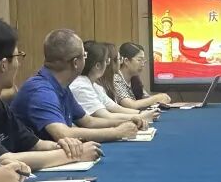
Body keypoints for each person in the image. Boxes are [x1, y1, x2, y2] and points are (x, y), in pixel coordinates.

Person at [0, 19, 101, 169]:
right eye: (17, 57)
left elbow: (35, 144)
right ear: (3, 65)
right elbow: (3, 160)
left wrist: (64, 146)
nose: (19, 64)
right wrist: (74, 154)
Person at [11, 30, 139, 142]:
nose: (86, 60)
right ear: (76, 63)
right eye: (84, 56)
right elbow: (63, 134)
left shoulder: (61, 85)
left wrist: (125, 122)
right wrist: (117, 132)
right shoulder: (41, 91)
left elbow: (88, 121)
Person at [71, 41, 157, 126]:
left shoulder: (94, 85)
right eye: (106, 61)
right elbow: (105, 116)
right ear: (98, 66)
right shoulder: (81, 85)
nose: (108, 65)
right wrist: (139, 116)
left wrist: (141, 113)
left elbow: (115, 107)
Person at [113, 42, 170, 110]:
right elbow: (131, 105)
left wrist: (161, 98)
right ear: (126, 61)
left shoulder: (135, 79)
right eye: (139, 60)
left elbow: (145, 98)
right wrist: (157, 98)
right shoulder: (116, 79)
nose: (143, 64)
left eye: (143, 60)